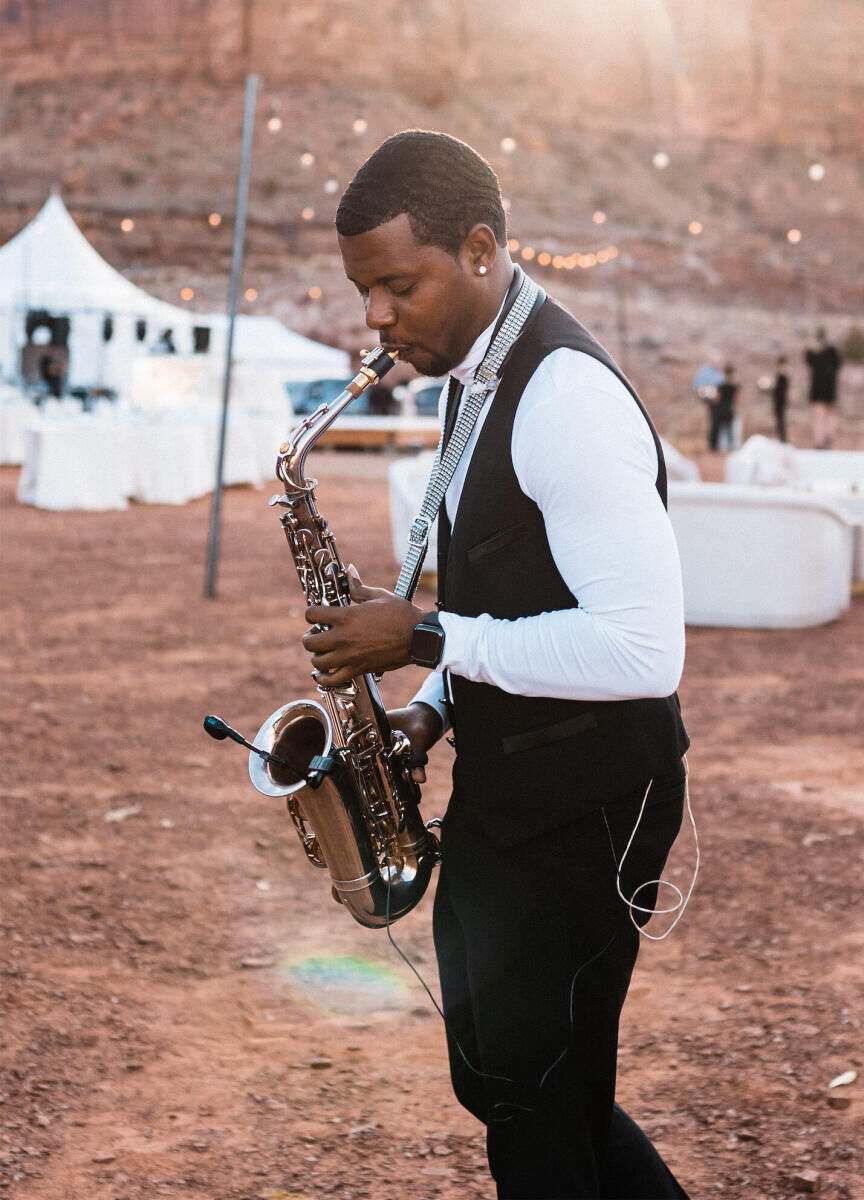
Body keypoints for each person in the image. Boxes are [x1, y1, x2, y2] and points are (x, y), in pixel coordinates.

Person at [301, 130, 691, 1199]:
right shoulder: (471, 381)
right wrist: (429, 706)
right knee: (508, 1081)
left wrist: (425, 638)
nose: (373, 315)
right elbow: (506, 599)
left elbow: (644, 650)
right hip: (516, 783)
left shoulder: (563, 397)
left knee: (538, 1108)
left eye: (395, 284)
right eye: (362, 289)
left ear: (479, 250)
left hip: (591, 801)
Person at [804, 328, 842, 449]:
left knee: (820, 417)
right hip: (828, 390)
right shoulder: (831, 351)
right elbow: (838, 365)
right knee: (826, 417)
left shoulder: (816, 352)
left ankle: (821, 440)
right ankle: (825, 439)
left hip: (820, 390)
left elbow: (807, 359)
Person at [692, 355, 723, 451]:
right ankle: (711, 445)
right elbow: (698, 385)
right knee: (712, 422)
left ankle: (718, 444)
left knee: (718, 423)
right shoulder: (705, 371)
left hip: (719, 401)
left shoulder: (719, 372)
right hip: (709, 400)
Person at [713, 363, 738, 452]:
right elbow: (736, 400)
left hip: (721, 409)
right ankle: (730, 447)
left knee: (720, 429)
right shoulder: (734, 387)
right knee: (729, 430)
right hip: (729, 409)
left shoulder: (720, 386)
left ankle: (718, 448)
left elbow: (717, 398)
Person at [771, 355, 789, 443]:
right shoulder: (779, 376)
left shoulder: (783, 376)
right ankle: (780, 437)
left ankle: (783, 438)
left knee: (781, 419)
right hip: (778, 400)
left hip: (781, 400)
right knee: (779, 419)